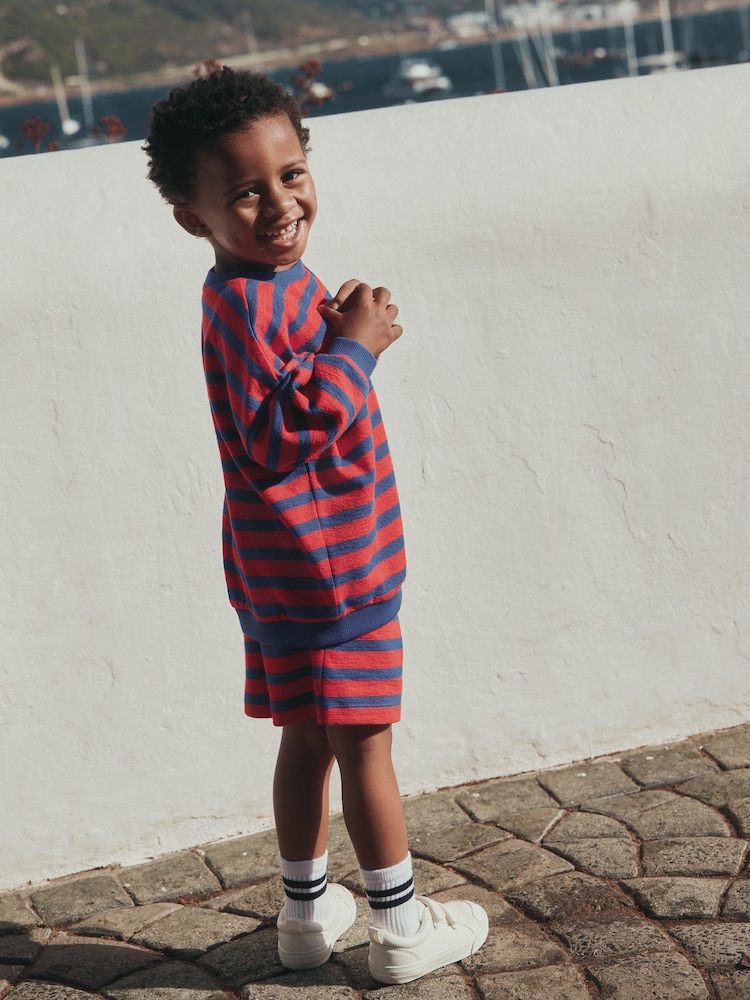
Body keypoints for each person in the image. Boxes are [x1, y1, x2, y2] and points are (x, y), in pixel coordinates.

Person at [143, 66, 488, 985]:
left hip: (282, 573)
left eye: (291, 174)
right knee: (364, 741)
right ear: (194, 217)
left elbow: (285, 389)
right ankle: (402, 926)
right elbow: (274, 437)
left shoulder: (261, 283)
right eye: (246, 192)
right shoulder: (250, 302)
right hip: (334, 569)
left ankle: (305, 914)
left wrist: (332, 328)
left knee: (305, 736)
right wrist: (355, 350)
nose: (280, 202)